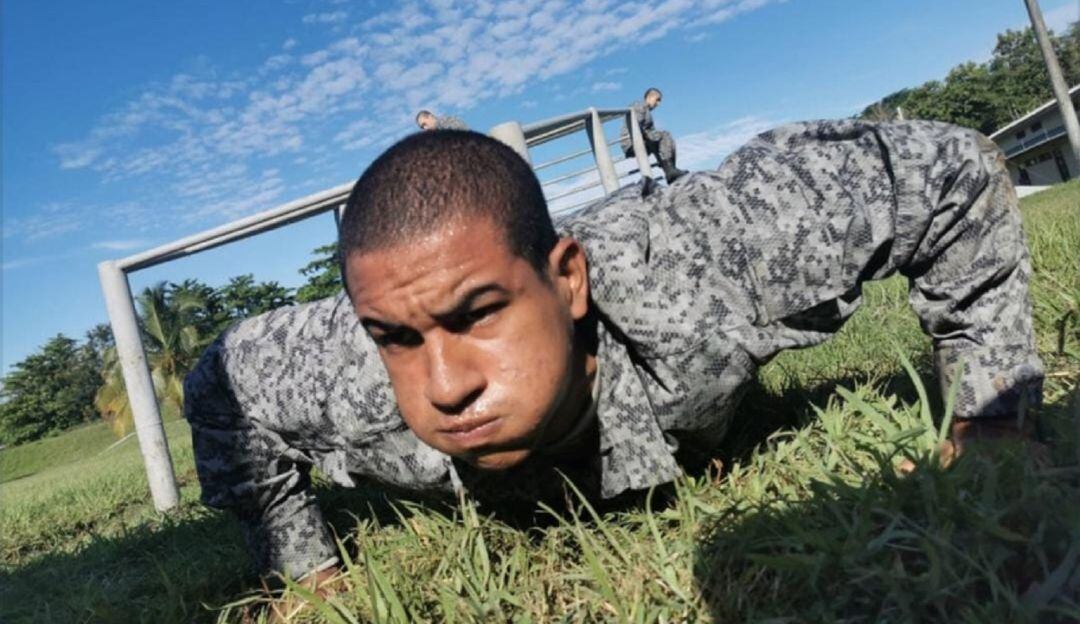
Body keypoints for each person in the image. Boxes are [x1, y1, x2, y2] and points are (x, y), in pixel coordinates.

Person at [185, 120, 1044, 585]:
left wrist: (993, 419)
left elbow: (952, 175)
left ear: (566, 281)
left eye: (479, 313)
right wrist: (307, 572)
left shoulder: (700, 265)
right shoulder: (342, 370)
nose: (444, 387)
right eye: (400, 339)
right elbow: (220, 386)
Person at [620, 87, 687, 184]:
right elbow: (635, 125)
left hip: (641, 139)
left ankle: (670, 170)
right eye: (657, 100)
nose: (658, 104)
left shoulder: (647, 113)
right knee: (664, 135)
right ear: (650, 97)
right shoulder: (639, 106)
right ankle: (670, 170)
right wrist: (654, 137)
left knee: (663, 139)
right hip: (631, 142)